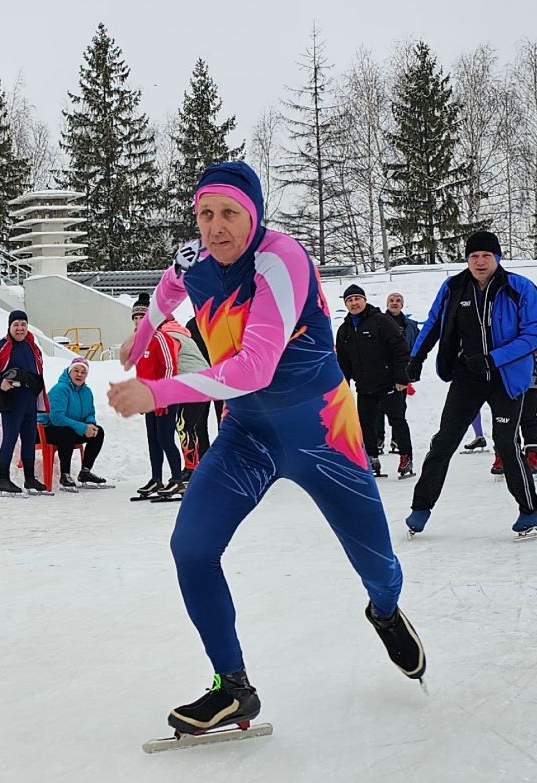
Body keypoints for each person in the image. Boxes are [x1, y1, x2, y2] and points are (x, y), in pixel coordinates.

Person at [108, 161, 424, 736]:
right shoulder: (194, 256)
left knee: (378, 566)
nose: (216, 227)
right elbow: (168, 286)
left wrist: (157, 391)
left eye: (230, 214)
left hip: (326, 433)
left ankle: (383, 611)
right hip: (249, 435)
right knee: (191, 548)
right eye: (205, 214)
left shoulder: (281, 259)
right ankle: (233, 689)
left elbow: (254, 368)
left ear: (253, 217)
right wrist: (145, 332)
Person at [405, 231, 537, 535]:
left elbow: (532, 335)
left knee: (506, 442)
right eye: (474, 256)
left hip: (507, 378)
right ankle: (421, 507)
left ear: (497, 258)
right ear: (467, 259)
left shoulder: (520, 288)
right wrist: (416, 357)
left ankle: (530, 509)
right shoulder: (454, 287)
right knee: (444, 441)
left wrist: (493, 358)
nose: (479, 261)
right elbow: (434, 322)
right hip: (468, 377)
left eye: (486, 256)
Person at [334, 285, 414, 478]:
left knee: (397, 420)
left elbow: (399, 349)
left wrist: (401, 377)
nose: (354, 303)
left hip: (389, 383)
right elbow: (343, 362)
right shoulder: (344, 330)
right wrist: (343, 386)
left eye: (357, 299)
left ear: (364, 300)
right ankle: (371, 457)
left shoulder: (381, 321)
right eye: (349, 300)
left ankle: (406, 456)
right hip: (364, 386)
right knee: (366, 423)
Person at [0, 309, 50, 496]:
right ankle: (4, 479)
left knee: (29, 439)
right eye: (16, 324)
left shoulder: (32, 346)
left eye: (23, 324)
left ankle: (29, 478)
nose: (20, 328)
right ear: (9, 327)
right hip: (11, 399)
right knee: (10, 438)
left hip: (29, 400)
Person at [128, 295, 186, 500]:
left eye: (142, 317)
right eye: (135, 317)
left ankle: (177, 480)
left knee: (165, 438)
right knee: (153, 439)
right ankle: (156, 478)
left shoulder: (160, 337)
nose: (138, 321)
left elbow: (171, 367)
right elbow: (142, 373)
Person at [38, 356, 106, 491]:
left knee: (98, 432)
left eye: (83, 372)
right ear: (69, 372)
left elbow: (89, 413)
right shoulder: (60, 389)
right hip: (45, 430)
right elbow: (56, 418)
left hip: (69, 428)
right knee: (66, 433)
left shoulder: (87, 392)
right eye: (76, 371)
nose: (79, 375)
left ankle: (85, 472)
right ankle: (65, 475)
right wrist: (82, 427)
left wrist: (90, 424)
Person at [160, 314, 211, 482]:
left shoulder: (167, 335)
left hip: (194, 382)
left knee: (184, 426)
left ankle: (192, 468)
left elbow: (170, 363)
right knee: (191, 426)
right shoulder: (180, 331)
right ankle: (196, 466)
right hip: (204, 380)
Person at [378, 292, 421, 455]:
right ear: (386, 303)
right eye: (391, 300)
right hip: (381, 371)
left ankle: (397, 440)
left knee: (399, 407)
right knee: (379, 407)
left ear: (402, 305)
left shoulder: (411, 325)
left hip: (402, 372)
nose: (394, 303)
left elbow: (417, 349)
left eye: (398, 301)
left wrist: (412, 370)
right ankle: (378, 439)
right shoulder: (378, 322)